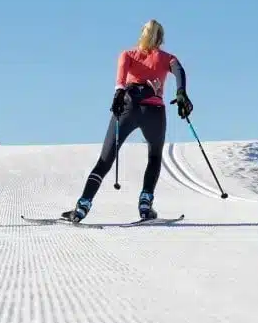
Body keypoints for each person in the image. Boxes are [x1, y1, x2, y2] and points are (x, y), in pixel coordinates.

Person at [62, 19, 193, 223]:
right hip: (155, 112)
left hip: (127, 109)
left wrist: (119, 93)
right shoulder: (168, 58)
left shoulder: (127, 55)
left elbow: (120, 80)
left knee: (105, 160)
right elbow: (179, 71)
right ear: (161, 38)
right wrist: (181, 93)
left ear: (142, 34)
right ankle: (145, 205)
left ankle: (82, 207)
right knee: (155, 157)